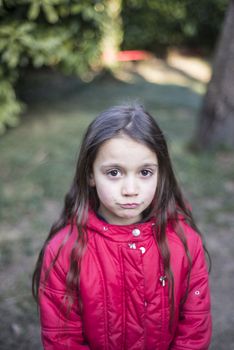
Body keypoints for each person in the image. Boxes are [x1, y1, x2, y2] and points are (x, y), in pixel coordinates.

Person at [32, 104, 212, 350]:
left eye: (145, 172)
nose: (130, 190)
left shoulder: (185, 242)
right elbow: (62, 339)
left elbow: (194, 328)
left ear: (161, 173)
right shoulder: (65, 251)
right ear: (90, 174)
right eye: (114, 172)